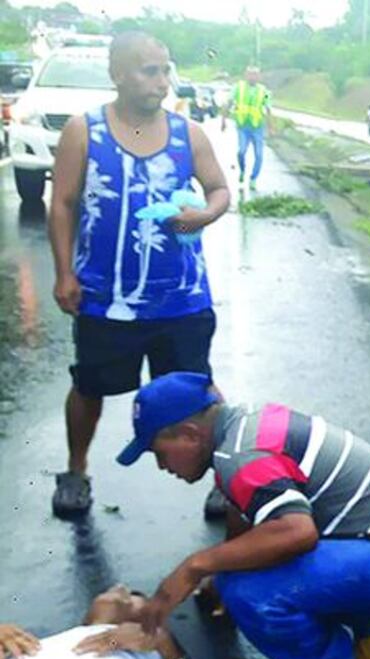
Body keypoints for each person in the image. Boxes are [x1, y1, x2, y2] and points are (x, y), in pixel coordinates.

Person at [117, 372, 370, 659]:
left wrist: (195, 566)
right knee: (239, 570)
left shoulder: (241, 457)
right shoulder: (241, 426)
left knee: (248, 591)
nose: (162, 466)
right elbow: (247, 511)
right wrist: (219, 569)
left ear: (190, 435)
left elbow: (297, 533)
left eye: (159, 453)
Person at [47, 32, 231, 519]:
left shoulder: (187, 134)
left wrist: (205, 215)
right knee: (89, 385)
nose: (162, 81)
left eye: (165, 70)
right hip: (106, 298)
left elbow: (218, 190)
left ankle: (229, 478)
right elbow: (62, 206)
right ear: (117, 75)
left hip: (181, 297)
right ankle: (76, 470)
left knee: (199, 391)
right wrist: (64, 273)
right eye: (149, 71)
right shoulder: (83, 131)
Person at [0, 585, 196, 659]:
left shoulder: (147, 653)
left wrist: (165, 647)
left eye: (128, 598)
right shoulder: (35, 644)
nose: (120, 588)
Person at [222, 66, 272, 191]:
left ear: (259, 77)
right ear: (245, 75)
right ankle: (242, 171)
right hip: (242, 126)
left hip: (257, 127)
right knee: (242, 151)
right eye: (250, 74)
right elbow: (229, 103)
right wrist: (223, 120)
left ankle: (253, 178)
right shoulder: (238, 88)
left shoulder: (264, 91)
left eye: (255, 75)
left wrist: (271, 127)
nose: (252, 77)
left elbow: (268, 108)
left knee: (259, 155)